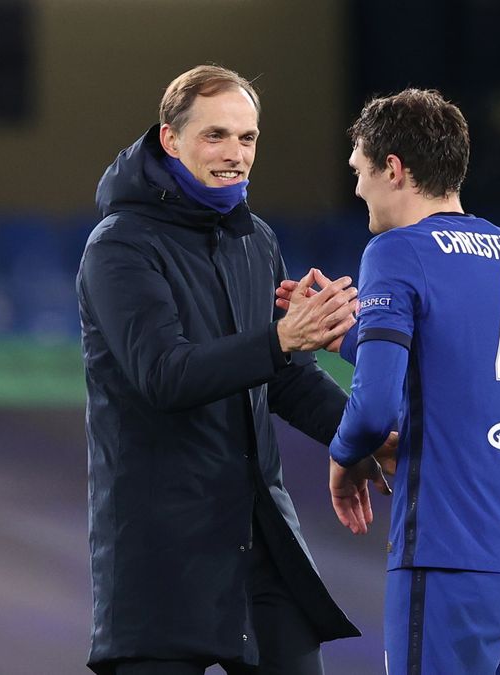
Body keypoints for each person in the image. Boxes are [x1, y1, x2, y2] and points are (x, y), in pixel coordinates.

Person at [76, 64, 389, 675]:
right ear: (170, 139)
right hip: (162, 554)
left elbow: (284, 377)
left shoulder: (255, 239)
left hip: (259, 535)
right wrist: (279, 339)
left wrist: (368, 440)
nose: (236, 154)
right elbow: (164, 374)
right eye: (216, 135)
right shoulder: (119, 245)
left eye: (247, 138)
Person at [288, 88, 500, 674]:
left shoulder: (396, 251)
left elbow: (376, 409)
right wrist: (346, 335)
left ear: (394, 169)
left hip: (442, 544)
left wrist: (344, 453)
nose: (356, 188)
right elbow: (459, 371)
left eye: (359, 170)